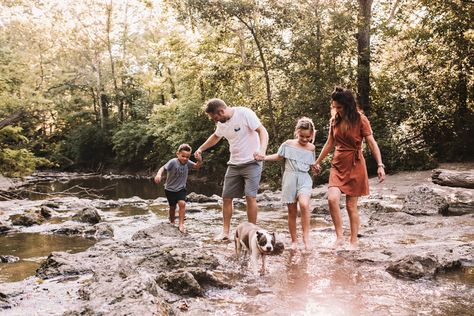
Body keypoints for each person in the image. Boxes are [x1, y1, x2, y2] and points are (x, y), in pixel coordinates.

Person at [314, 86, 385, 249]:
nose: (336, 110)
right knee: (332, 199)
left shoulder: (361, 119)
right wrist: (317, 161)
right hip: (338, 163)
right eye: (334, 107)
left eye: (339, 107)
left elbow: (372, 143)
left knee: (350, 206)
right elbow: (329, 143)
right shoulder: (335, 120)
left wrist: (380, 165)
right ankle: (339, 237)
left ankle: (354, 240)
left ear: (348, 105)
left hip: (355, 164)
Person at [194, 98, 268, 240]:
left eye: (215, 117)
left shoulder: (244, 113)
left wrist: (262, 151)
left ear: (221, 111)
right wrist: (201, 148)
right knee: (226, 198)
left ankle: (252, 233)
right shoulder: (222, 123)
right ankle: (225, 233)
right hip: (234, 163)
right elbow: (216, 137)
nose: (215, 121)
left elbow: (262, 131)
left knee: (250, 197)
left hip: (252, 162)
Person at [255, 117, 316, 251]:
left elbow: (312, 164)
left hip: (304, 178)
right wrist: (264, 157)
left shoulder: (312, 148)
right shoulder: (288, 144)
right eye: (302, 136)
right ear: (297, 133)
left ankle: (306, 239)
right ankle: (294, 241)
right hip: (290, 178)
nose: (305, 139)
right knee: (292, 211)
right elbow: (278, 156)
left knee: (304, 205)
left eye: (308, 137)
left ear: (311, 135)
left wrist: (315, 168)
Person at [154, 143, 203, 233]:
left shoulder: (187, 163)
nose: (185, 158)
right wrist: (158, 174)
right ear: (178, 154)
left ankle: (181, 224)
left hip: (181, 188)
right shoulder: (173, 162)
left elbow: (197, 166)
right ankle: (172, 221)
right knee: (172, 207)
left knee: (182, 203)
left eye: (187, 157)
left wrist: (199, 160)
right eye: (183, 156)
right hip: (169, 189)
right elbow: (162, 168)